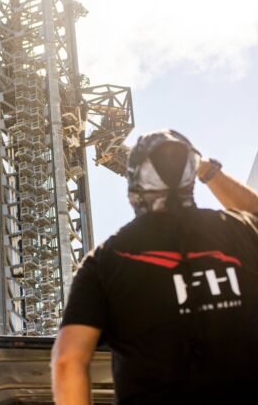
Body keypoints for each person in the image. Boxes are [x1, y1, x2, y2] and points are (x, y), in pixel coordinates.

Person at [52, 130, 258, 405]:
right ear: (190, 175)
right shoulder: (240, 232)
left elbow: (68, 361)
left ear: (135, 185)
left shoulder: (105, 261)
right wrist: (208, 171)